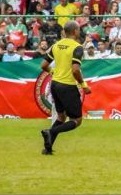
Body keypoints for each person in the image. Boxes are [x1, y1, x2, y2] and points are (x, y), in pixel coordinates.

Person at [40, 20, 92, 155]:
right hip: (67, 86)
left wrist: (54, 72)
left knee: (61, 117)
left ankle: (48, 148)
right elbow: (75, 70)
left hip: (55, 85)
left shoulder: (56, 45)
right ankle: (51, 131)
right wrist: (84, 85)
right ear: (75, 31)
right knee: (77, 120)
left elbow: (44, 66)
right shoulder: (77, 47)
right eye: (79, 29)